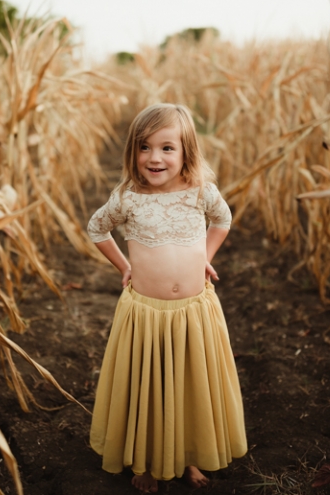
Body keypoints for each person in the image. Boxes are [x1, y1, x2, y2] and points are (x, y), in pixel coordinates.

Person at [87, 103, 247, 493]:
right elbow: (96, 228)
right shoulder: (128, 197)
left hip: (193, 311)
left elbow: (223, 220)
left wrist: (202, 258)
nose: (154, 157)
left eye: (167, 148)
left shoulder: (200, 193)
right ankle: (147, 463)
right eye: (144, 147)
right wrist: (124, 266)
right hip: (147, 314)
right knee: (151, 383)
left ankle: (190, 457)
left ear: (186, 151)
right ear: (133, 152)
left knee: (190, 383)